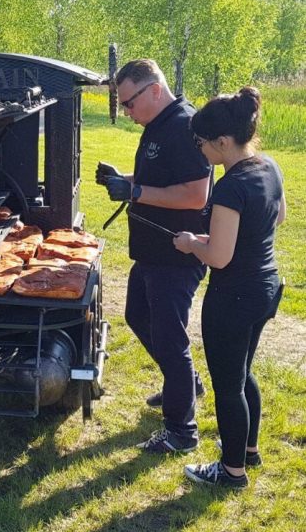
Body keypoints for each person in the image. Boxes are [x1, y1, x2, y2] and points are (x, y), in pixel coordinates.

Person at [96, 59, 211, 453]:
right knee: (137, 315)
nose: (127, 112)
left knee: (169, 337)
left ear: (155, 90)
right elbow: (160, 178)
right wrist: (123, 180)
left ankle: (181, 431)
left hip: (177, 254)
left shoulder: (184, 126)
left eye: (129, 103)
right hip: (153, 250)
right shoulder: (158, 124)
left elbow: (198, 194)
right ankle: (186, 384)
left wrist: (137, 193)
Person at [174, 86, 285, 488]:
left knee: (226, 385)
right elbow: (278, 218)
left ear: (222, 142)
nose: (200, 150)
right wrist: (221, 240)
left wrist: (191, 244)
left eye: (201, 143)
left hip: (234, 297)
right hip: (267, 286)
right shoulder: (269, 167)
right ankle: (248, 452)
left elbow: (219, 257)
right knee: (243, 372)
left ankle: (232, 471)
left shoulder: (229, 187)